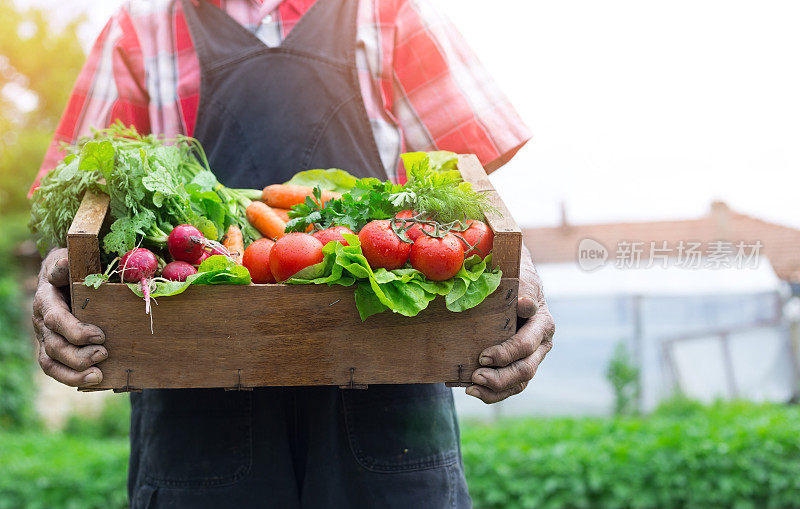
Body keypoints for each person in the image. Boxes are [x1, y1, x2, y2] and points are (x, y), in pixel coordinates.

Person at [30, 0, 555, 507]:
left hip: (388, 379)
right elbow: (81, 201)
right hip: (197, 407)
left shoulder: (387, 8)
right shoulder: (140, 28)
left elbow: (471, 186)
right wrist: (59, 278)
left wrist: (518, 276)